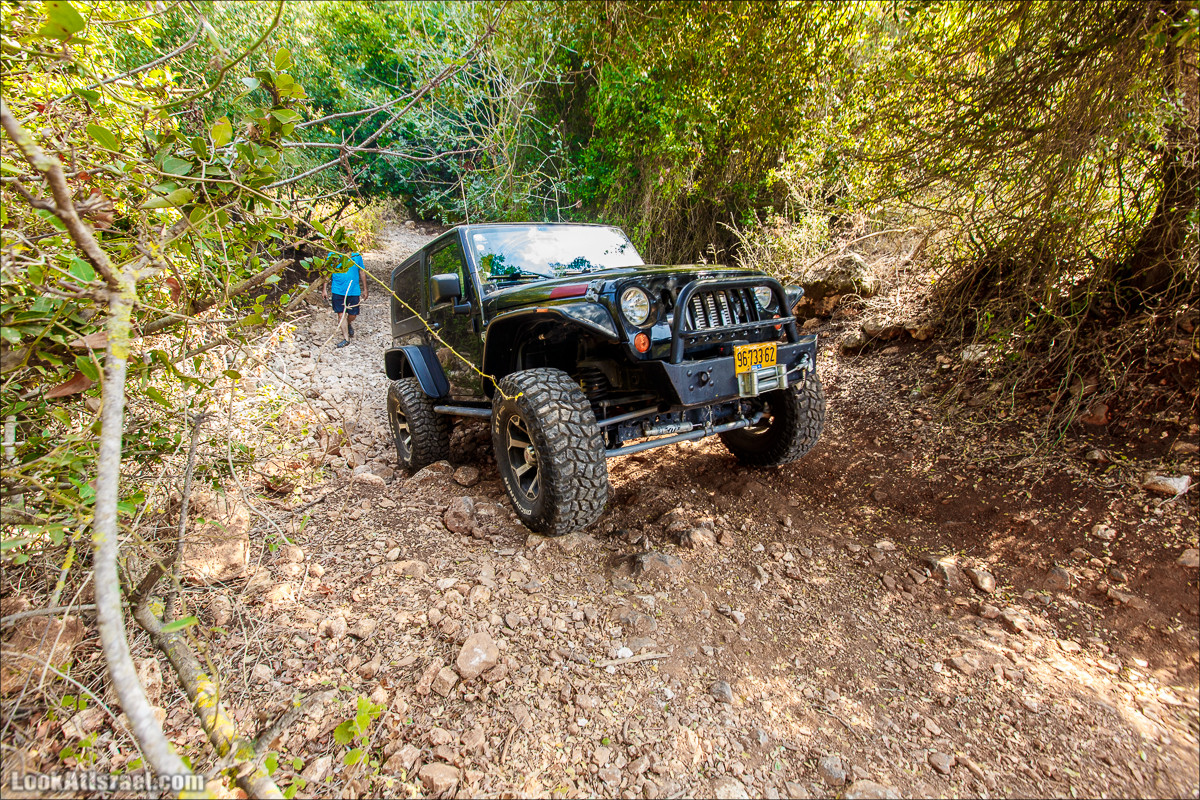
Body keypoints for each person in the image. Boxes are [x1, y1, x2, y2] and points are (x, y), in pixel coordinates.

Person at [322, 250, 368, 348]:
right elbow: (328, 272)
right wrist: (324, 289)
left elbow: (362, 271)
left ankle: (348, 323)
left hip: (353, 290)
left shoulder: (356, 256)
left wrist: (365, 289)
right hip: (337, 289)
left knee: (353, 314)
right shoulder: (332, 255)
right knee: (340, 314)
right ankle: (346, 339)